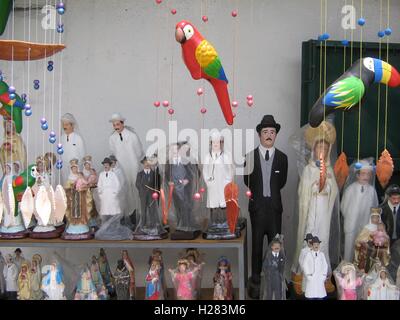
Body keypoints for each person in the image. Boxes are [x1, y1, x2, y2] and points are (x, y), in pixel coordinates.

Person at [243, 115, 288, 299]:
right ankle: (255, 280)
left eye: (272, 132)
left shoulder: (282, 158)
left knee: (276, 244)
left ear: (275, 135)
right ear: (259, 135)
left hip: (275, 207)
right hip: (258, 208)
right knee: (256, 245)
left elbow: (282, 181)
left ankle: (275, 279)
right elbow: (247, 181)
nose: (269, 135)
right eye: (265, 132)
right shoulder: (250, 157)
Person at [293, 121, 339, 278]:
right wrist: (313, 187)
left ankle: (323, 270)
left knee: (323, 233)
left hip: (324, 205)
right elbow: (302, 190)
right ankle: (306, 268)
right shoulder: (308, 169)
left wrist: (327, 185)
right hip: (313, 203)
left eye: (325, 148)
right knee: (310, 229)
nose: (322, 150)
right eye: (320, 147)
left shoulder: (330, 170)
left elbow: (334, 191)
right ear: (314, 149)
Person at [341, 159, 379, 262]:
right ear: (357, 175)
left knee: (362, 247)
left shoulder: (371, 191)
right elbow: (344, 206)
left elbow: (375, 207)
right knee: (350, 245)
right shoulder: (351, 189)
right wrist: (349, 218)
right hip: (352, 223)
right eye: (363, 174)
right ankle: (347, 264)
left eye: (368, 174)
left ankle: (360, 266)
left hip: (365, 224)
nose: (366, 177)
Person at [202, 130, 236, 239]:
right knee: (214, 204)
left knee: (223, 204)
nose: (216, 145)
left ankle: (224, 223)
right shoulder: (208, 157)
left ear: (221, 143)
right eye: (214, 143)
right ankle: (214, 224)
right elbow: (205, 171)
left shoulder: (225, 156)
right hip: (213, 185)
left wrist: (228, 182)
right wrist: (208, 182)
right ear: (211, 144)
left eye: (218, 143)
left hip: (223, 184)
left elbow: (230, 170)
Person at [109, 113, 144, 217]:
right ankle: (126, 212)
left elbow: (138, 152)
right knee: (123, 187)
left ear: (122, 124)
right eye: (114, 125)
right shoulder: (112, 138)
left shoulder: (132, 136)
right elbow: (113, 152)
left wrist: (134, 161)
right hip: (121, 166)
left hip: (132, 164)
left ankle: (138, 211)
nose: (116, 127)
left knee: (134, 186)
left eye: (118, 124)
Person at [165, 141, 201, 240]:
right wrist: (169, 181)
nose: (174, 151)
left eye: (175, 149)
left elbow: (195, 172)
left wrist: (188, 180)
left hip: (186, 188)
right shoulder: (169, 162)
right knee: (178, 206)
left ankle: (187, 225)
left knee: (186, 206)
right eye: (171, 150)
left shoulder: (187, 161)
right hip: (175, 188)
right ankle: (180, 225)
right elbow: (167, 174)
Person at [134, 156, 166, 240]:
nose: (147, 164)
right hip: (143, 196)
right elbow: (137, 184)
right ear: (143, 164)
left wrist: (155, 191)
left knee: (152, 210)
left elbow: (158, 183)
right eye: (145, 163)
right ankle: (142, 226)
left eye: (148, 163)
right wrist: (142, 190)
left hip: (152, 196)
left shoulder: (154, 173)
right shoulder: (140, 174)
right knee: (143, 211)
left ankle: (153, 226)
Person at [62, 159, 93, 240]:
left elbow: (86, 186)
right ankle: (73, 223)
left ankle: (82, 223)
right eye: (73, 168)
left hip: (81, 198)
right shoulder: (69, 178)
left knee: (82, 210)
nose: (74, 170)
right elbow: (66, 188)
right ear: (71, 169)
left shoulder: (81, 177)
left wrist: (82, 188)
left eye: (75, 168)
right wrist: (71, 188)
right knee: (73, 211)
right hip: (73, 199)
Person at [354, 208, 387, 273]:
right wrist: (367, 240)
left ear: (379, 218)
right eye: (373, 217)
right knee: (364, 255)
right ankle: (364, 270)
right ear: (371, 218)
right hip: (367, 250)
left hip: (377, 249)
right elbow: (359, 239)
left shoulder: (381, 228)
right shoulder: (367, 228)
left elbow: (385, 239)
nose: (375, 219)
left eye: (377, 218)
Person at [60, 113, 86, 185]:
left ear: (72, 125)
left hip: (75, 168)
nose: (65, 127)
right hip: (64, 167)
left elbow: (82, 154)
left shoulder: (78, 138)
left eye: (67, 124)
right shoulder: (61, 138)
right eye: (63, 124)